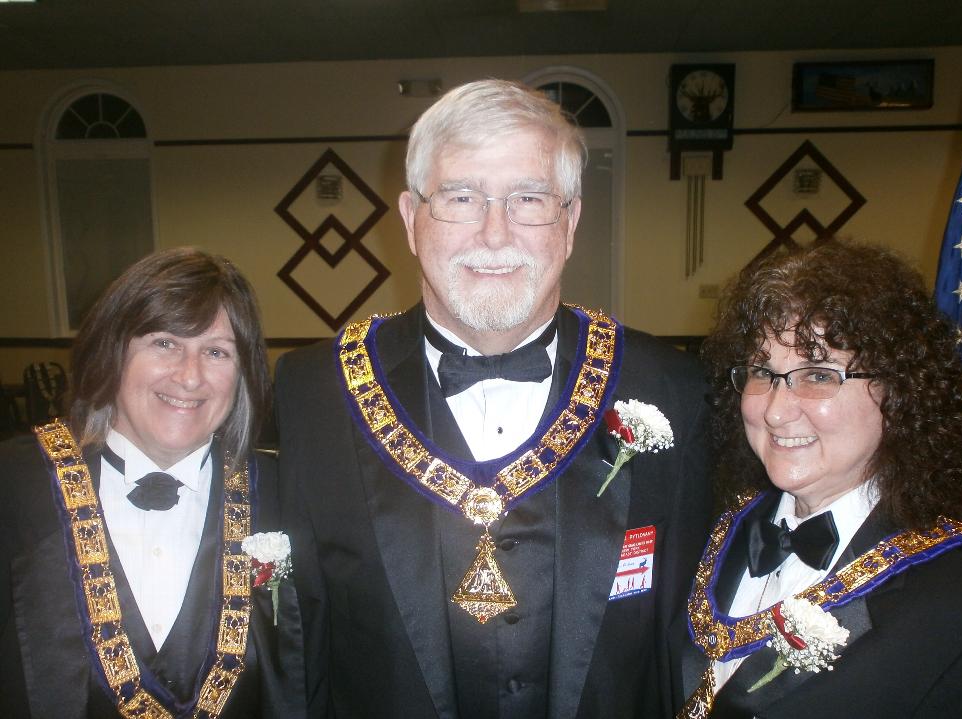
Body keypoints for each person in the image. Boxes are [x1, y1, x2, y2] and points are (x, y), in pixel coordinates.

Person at [275, 79, 713, 719]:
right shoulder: (314, 391)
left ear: (570, 222)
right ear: (410, 220)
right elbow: (299, 640)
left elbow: (685, 637)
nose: (493, 233)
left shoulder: (668, 386)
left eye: (528, 199)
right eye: (460, 198)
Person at [669, 240, 962, 718]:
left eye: (819, 375)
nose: (776, 411)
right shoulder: (713, 529)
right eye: (764, 371)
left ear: (898, 390)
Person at [0, 248, 305, 719]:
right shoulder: (17, 485)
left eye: (217, 351)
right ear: (114, 348)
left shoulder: (287, 492)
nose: (189, 376)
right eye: (165, 343)